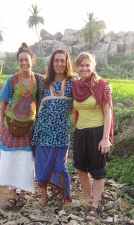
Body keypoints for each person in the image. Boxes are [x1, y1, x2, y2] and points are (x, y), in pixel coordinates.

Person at [0, 42, 44, 210]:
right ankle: (12, 194)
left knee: (25, 161)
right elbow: (3, 104)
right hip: (10, 126)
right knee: (10, 159)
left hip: (29, 128)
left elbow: (57, 86)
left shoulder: (39, 80)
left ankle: (23, 193)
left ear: (32, 59)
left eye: (26, 60)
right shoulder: (12, 80)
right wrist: (1, 125)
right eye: (20, 60)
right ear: (18, 62)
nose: (23, 63)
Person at [72, 52, 114, 221]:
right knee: (81, 170)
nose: (84, 68)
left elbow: (108, 112)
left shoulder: (102, 85)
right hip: (80, 132)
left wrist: (105, 138)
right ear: (77, 67)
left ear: (93, 66)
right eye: (81, 65)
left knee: (97, 171)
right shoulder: (75, 85)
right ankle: (89, 198)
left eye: (87, 65)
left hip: (97, 132)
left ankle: (94, 205)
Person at [32, 49, 75, 211]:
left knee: (59, 166)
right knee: (41, 166)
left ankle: (67, 198)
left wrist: (107, 87)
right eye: (56, 60)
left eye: (62, 60)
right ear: (52, 63)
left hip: (61, 133)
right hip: (43, 131)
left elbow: (89, 86)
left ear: (66, 63)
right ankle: (44, 196)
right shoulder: (44, 83)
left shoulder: (73, 83)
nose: (59, 64)